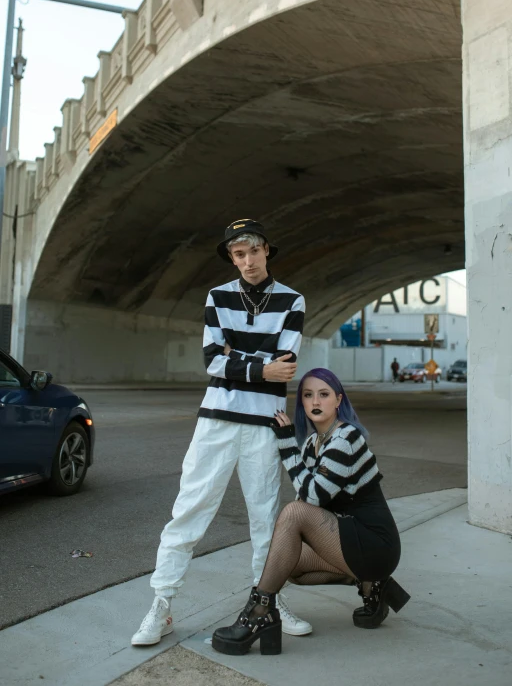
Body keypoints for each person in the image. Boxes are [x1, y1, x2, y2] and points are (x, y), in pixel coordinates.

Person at [132, 219, 311, 645]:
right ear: (232, 257)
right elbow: (212, 361)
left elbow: (284, 365)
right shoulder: (218, 297)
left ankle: (268, 602)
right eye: (238, 254)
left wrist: (242, 358)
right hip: (216, 418)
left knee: (266, 516)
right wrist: (258, 365)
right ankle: (161, 604)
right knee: (190, 509)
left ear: (267, 249)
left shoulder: (292, 300)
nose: (247, 261)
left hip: (265, 423)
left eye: (253, 251)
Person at [212, 368, 410, 656]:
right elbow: (305, 503)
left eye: (324, 394)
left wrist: (286, 445)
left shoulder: (347, 437)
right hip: (348, 540)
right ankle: (370, 584)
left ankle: (258, 612)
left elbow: (311, 498)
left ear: (338, 400)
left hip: (376, 543)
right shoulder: (311, 445)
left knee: (293, 513)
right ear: (302, 403)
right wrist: (294, 450)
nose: (315, 400)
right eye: (308, 395)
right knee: (289, 564)